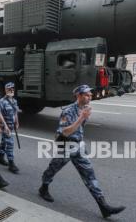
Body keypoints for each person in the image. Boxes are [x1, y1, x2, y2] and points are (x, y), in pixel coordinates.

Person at [38, 84, 125, 218]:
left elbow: (80, 129)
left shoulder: (84, 109)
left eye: (90, 95)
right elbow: (65, 132)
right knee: (53, 168)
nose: (90, 97)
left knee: (90, 175)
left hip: (79, 146)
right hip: (67, 145)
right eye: (86, 95)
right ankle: (44, 188)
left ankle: (104, 207)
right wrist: (81, 118)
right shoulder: (68, 111)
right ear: (78, 96)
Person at [0, 82, 20, 174]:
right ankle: (11, 163)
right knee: (10, 143)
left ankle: (1, 157)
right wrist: (0, 126)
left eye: (12, 89)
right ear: (5, 90)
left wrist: (17, 122)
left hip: (11, 125)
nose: (11, 90)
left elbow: (15, 112)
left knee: (4, 142)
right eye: (9, 89)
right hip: (5, 126)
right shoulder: (1, 101)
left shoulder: (14, 101)